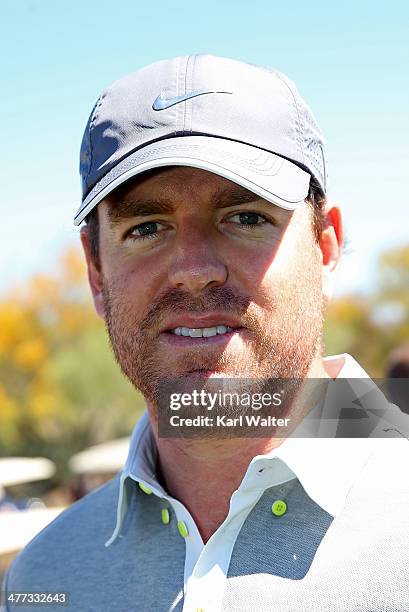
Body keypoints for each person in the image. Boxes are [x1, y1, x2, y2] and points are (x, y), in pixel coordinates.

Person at [2, 55, 409, 612]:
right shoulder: (46, 573)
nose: (194, 268)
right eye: (147, 227)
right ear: (96, 274)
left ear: (326, 247)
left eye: (245, 217)